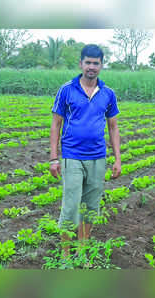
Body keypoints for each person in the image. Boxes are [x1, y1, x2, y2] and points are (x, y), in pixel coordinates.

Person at [49, 44, 121, 258]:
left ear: (101, 65)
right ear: (80, 64)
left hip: (98, 157)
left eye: (95, 63)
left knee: (90, 207)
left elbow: (113, 127)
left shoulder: (108, 94)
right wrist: (54, 158)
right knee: (71, 205)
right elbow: (56, 124)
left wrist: (117, 159)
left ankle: (82, 249)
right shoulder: (67, 89)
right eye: (87, 62)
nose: (91, 67)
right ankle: (64, 253)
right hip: (72, 156)